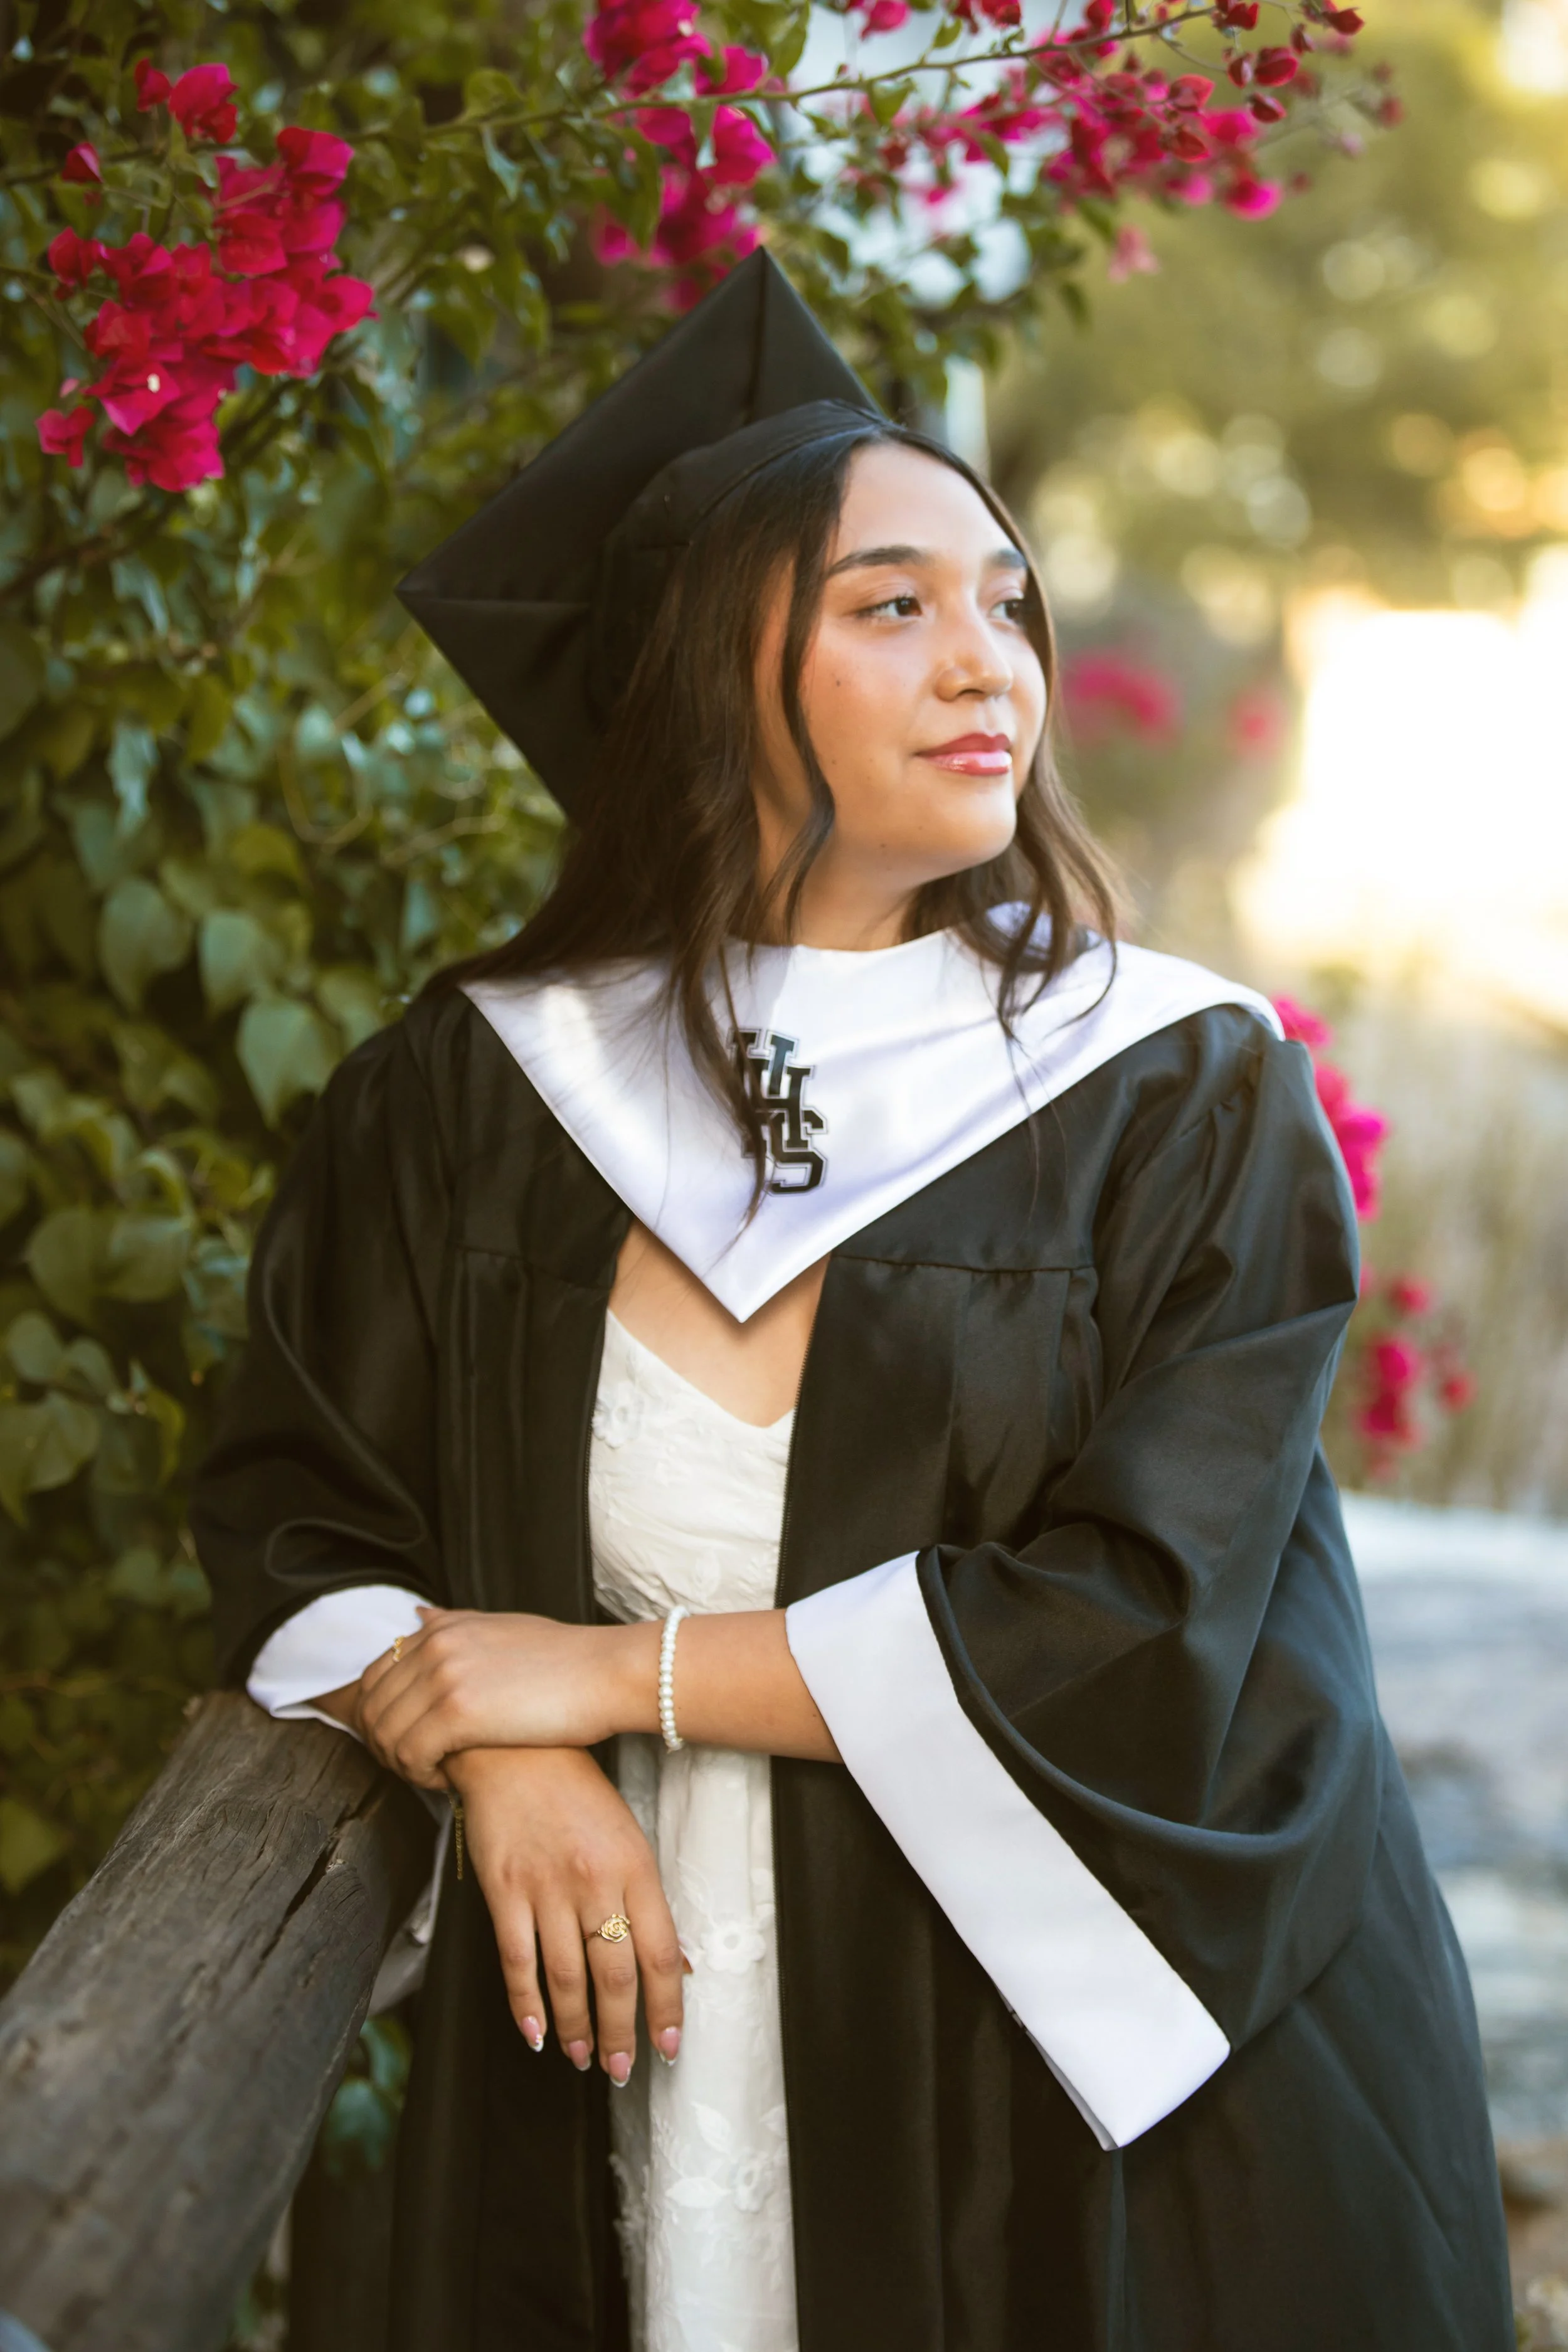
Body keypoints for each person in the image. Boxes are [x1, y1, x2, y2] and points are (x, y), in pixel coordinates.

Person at [194, 252, 1513, 2352]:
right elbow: (297, 1506)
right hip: (629, 2024)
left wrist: (598, 1683)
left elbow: (1135, 1623)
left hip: (1095, 2081)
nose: (987, 660)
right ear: (709, 673)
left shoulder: (1169, 1088)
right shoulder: (473, 1091)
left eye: (1004, 601)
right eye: (889, 606)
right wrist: (491, 1757)